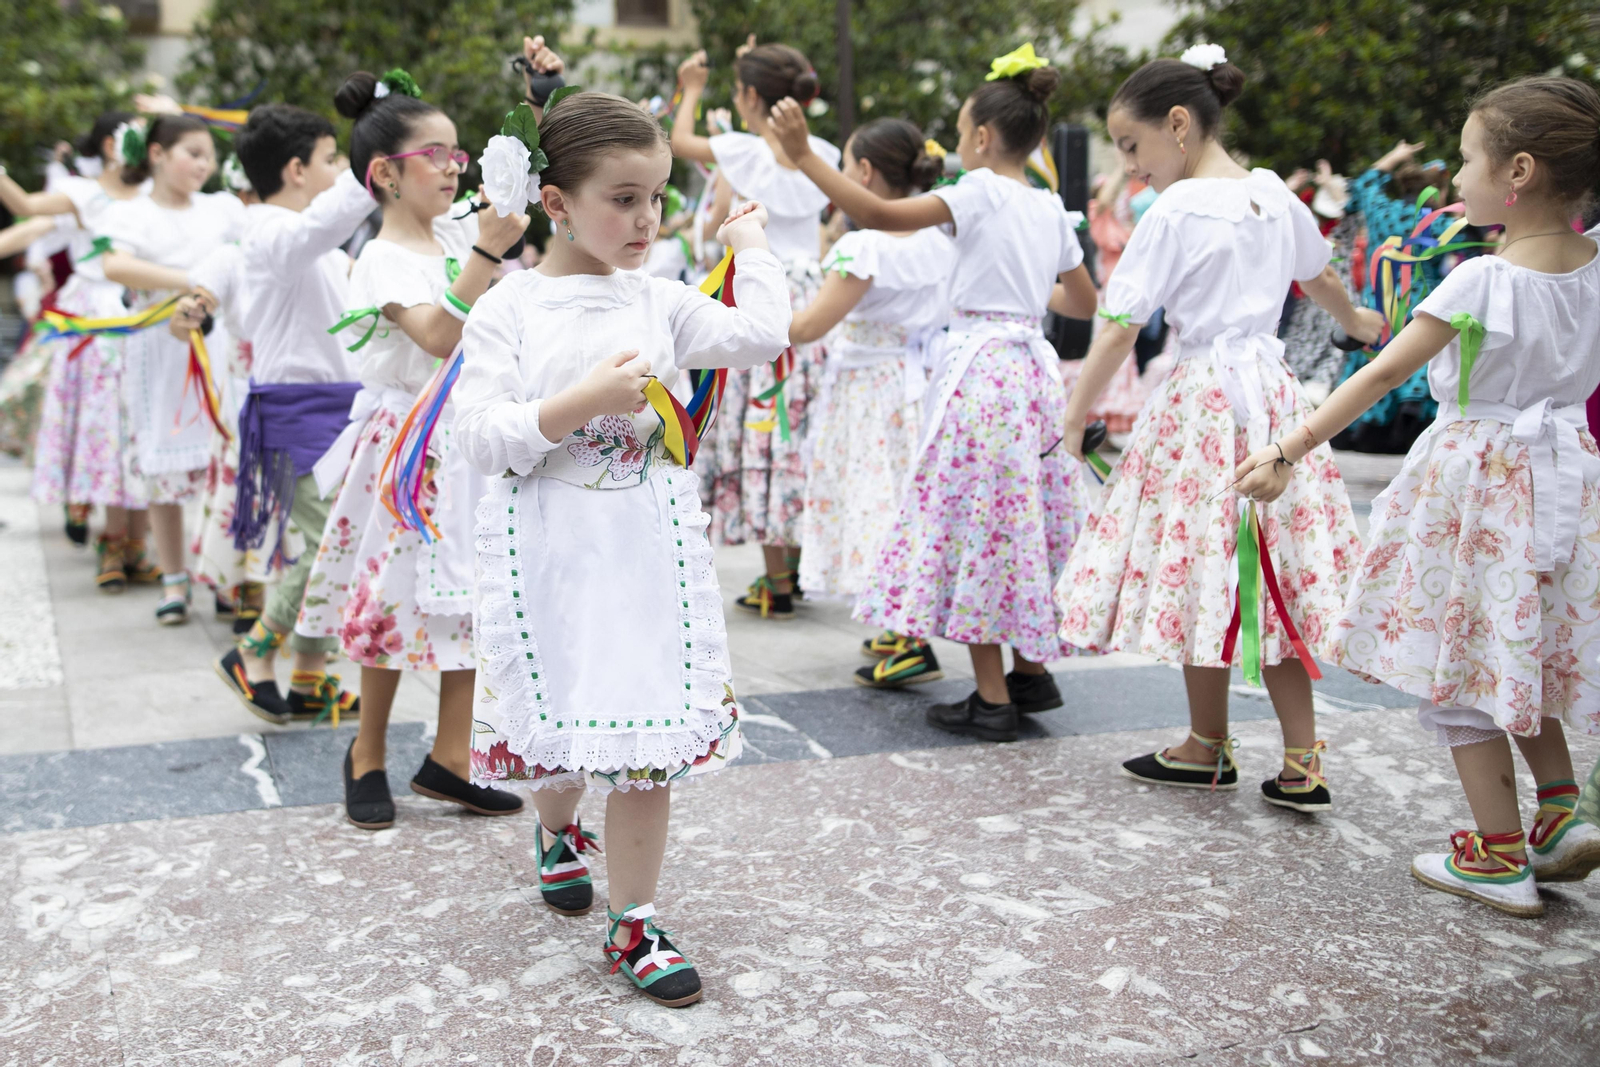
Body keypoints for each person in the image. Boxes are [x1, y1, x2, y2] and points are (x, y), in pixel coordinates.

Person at [454, 92, 790, 1005]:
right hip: (548, 553)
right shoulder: (511, 307)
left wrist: (750, 249)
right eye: (623, 198)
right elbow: (481, 435)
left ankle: (634, 916)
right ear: (555, 201)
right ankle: (557, 829)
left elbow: (763, 335)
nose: (646, 220)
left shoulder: (661, 298)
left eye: (657, 198)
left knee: (644, 726)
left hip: (646, 549)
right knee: (559, 719)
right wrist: (584, 402)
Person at [1235, 76, 1600, 916]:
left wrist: (1288, 446)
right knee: (1521, 647)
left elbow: (1385, 369)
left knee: (1461, 665)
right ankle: (1558, 810)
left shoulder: (1481, 281)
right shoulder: (1591, 269)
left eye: (1466, 161)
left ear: (1517, 171)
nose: (1452, 183)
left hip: (1479, 489)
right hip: (1567, 483)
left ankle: (1497, 854)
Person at [1056, 46, 1383, 811]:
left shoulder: (1174, 209)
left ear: (1179, 124)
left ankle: (1207, 743)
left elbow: (1116, 325)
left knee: (1201, 560)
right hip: (1275, 398)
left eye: (1133, 147)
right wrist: (1361, 323)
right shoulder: (1274, 194)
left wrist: (1076, 420)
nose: (1133, 169)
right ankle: (1303, 757)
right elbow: (1321, 276)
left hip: (1203, 399)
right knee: (1274, 570)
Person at [771, 43, 1099, 739]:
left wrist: (804, 156)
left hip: (981, 371)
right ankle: (1031, 672)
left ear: (982, 137)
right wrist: (1015, 290)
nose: (953, 143)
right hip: (1035, 372)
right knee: (1025, 522)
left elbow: (883, 216)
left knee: (975, 524)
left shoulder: (977, 191)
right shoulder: (1047, 206)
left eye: (957, 131)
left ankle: (991, 698)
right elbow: (1081, 300)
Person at [301, 69, 530, 828]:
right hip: (407, 447)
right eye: (436, 153)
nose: (454, 166)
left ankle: (451, 758)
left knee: (468, 600)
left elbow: (519, 194)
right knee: (392, 598)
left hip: (465, 438)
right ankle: (367, 753)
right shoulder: (381, 260)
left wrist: (538, 102)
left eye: (458, 153)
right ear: (387, 174)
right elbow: (436, 334)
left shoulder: (461, 235)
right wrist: (486, 257)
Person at [207, 103, 375, 724]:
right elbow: (328, 222)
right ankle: (254, 648)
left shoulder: (315, 246)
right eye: (334, 159)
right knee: (334, 538)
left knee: (334, 539)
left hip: (337, 409)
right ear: (297, 169)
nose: (340, 172)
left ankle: (309, 676)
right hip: (298, 412)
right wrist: (382, 156)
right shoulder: (270, 233)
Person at [671, 35, 838, 620]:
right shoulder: (827, 152)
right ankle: (792, 565)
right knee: (798, 424)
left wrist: (690, 90)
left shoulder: (745, 152)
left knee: (764, 423)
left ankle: (777, 578)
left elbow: (678, 141)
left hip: (762, 287)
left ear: (748, 96)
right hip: (815, 292)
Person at [782, 119, 953, 681]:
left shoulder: (864, 245)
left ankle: (910, 639)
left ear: (862, 172)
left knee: (879, 501)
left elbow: (809, 325)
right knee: (902, 498)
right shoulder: (940, 238)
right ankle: (901, 623)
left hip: (870, 389)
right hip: (919, 381)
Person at [0, 113, 186, 589]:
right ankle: (113, 541)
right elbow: (23, 204)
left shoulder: (156, 195)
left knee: (143, 424)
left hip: (149, 316)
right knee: (105, 427)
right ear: (113, 144)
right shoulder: (85, 192)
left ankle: (136, 548)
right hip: (95, 324)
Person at [99, 113, 246, 624]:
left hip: (216, 343)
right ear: (158, 155)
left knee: (224, 457)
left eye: (209, 156)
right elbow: (114, 266)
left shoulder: (223, 210)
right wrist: (196, 280)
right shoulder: (131, 213)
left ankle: (226, 576)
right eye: (193, 153)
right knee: (163, 463)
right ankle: (173, 579)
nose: (204, 165)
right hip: (158, 347)